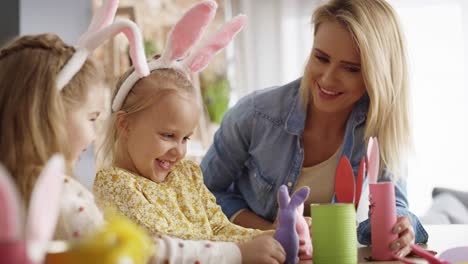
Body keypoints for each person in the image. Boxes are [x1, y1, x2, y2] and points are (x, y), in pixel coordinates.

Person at [0, 21, 283, 264]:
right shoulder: (65, 195)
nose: (93, 133)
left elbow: (216, 228)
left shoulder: (40, 190)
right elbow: (143, 252)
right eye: (90, 118)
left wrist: (266, 239)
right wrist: (235, 254)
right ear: (50, 114)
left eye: (186, 138)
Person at [201, 0, 428, 257]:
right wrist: (271, 232)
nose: (328, 78)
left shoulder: (378, 125)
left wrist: (403, 227)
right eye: (321, 57)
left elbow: (395, 204)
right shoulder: (254, 116)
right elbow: (199, 195)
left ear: (376, 75)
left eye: (351, 68)